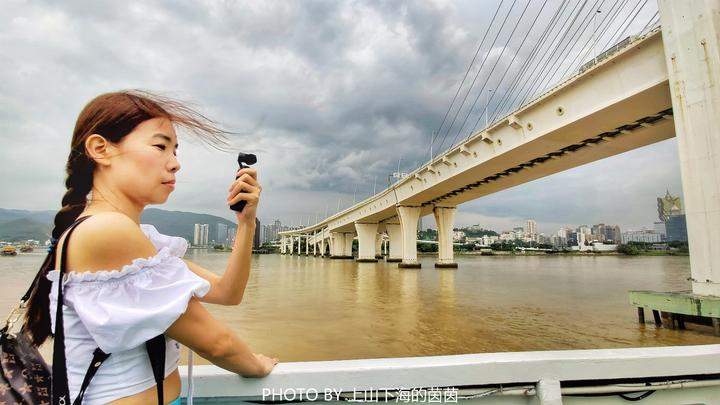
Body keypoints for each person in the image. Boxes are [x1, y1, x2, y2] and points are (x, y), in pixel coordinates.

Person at [22, 90, 279, 404]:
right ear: (100, 149)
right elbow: (217, 345)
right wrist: (258, 365)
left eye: (175, 151)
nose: (175, 164)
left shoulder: (133, 235)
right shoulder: (108, 232)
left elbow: (227, 292)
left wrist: (246, 223)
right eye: (160, 146)